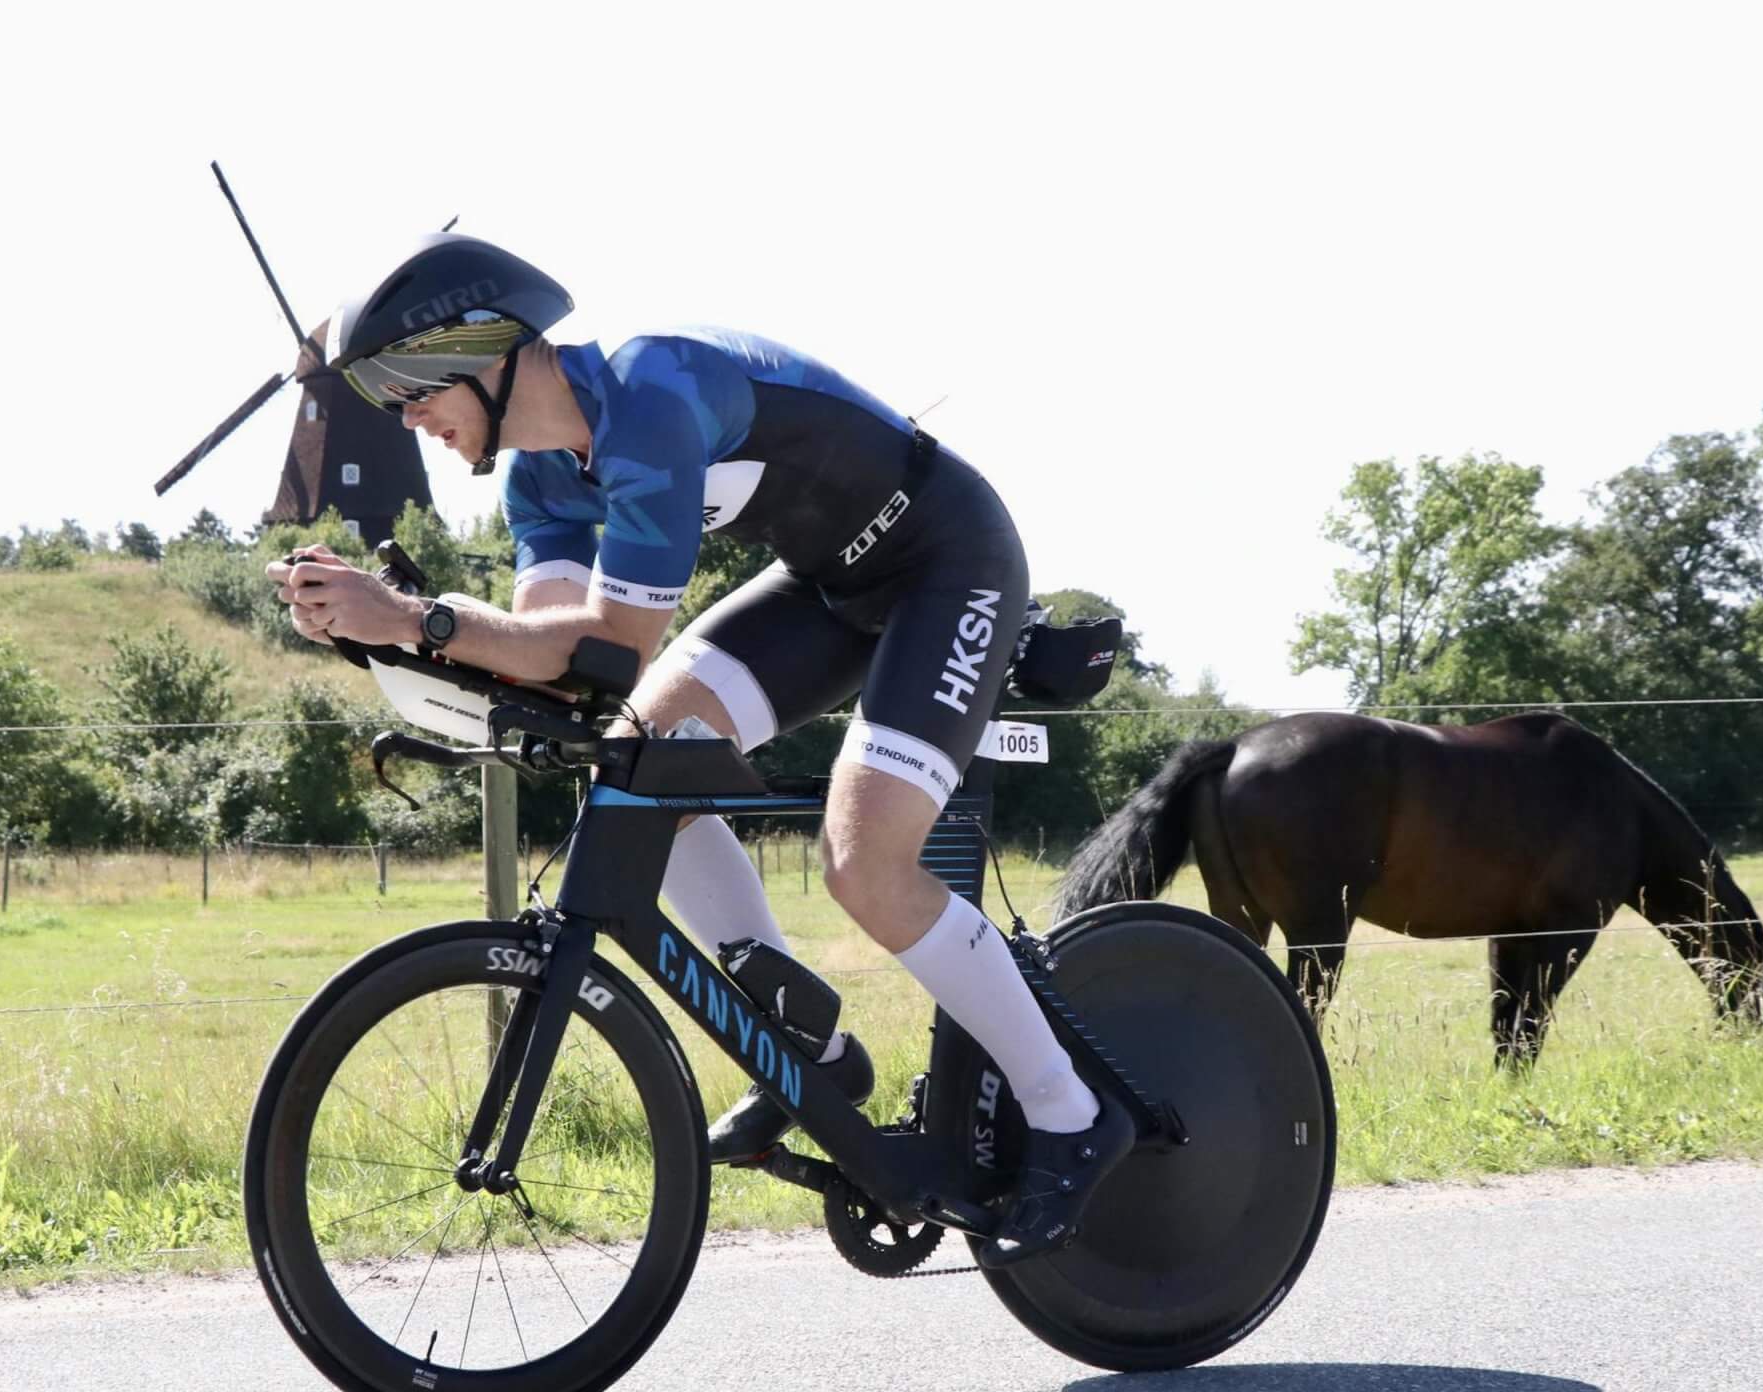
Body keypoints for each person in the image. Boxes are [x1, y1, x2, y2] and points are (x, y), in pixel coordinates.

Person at [264, 233, 1128, 1267]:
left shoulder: (649, 393)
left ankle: (1070, 1113)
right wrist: (387, 631)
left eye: (410, 382)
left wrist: (415, 616)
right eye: (384, 395)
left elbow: (613, 647)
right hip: (824, 586)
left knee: (865, 864)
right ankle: (809, 1053)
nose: (406, 415)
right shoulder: (539, 477)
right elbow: (567, 671)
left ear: (484, 346)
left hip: (948, 563)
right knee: (639, 759)